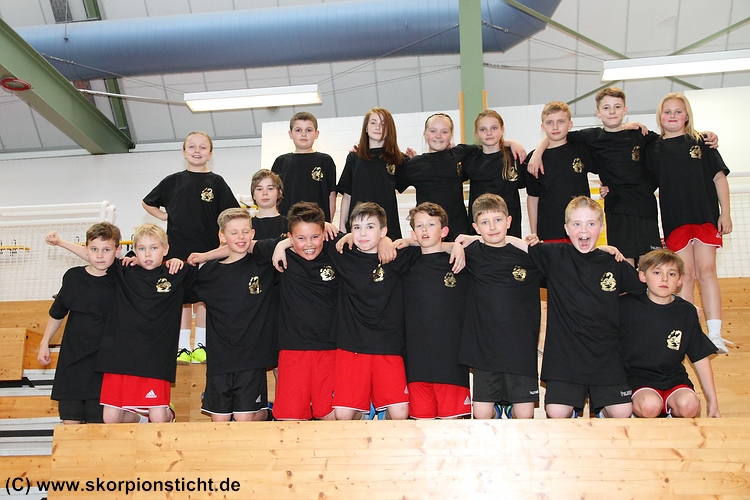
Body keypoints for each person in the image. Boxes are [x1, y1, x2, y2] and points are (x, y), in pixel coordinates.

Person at [48, 224, 196, 424]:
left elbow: (210, 273)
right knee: (110, 418)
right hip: (120, 358)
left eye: (153, 248)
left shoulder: (176, 273)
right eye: (142, 248)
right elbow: (98, 257)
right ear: (134, 250)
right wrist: (60, 242)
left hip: (156, 359)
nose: (147, 254)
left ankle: (169, 416)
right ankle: (140, 420)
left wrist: (182, 260)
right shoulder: (125, 270)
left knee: (159, 417)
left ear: (165, 249)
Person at [521, 196, 645, 418]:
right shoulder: (555, 255)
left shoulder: (614, 262)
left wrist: (681, 305)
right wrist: (469, 240)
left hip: (606, 357)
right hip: (565, 358)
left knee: (622, 411)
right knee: (556, 412)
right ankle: (575, 414)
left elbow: (645, 292)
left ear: (601, 227)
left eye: (591, 223)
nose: (584, 230)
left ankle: (602, 413)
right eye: (577, 224)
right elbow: (509, 244)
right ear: (566, 229)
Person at [142, 131, 240, 365]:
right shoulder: (172, 181)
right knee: (182, 300)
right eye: (192, 147)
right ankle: (183, 347)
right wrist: (164, 216)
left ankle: (202, 345)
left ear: (210, 154)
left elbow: (232, 213)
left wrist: (224, 237)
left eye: (203, 147)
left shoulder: (216, 182)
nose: (197, 151)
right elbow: (147, 202)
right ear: (184, 152)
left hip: (207, 253)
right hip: (178, 255)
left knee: (204, 299)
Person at [645, 93, 732, 353]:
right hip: (675, 221)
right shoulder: (654, 148)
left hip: (705, 216)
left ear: (687, 116)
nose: (672, 116)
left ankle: (715, 335)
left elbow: (719, 178)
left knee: (707, 271)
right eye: (667, 111)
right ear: (660, 117)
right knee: (685, 275)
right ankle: (692, 335)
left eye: (678, 111)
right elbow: (641, 183)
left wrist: (725, 213)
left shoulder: (702, 142)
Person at [185, 208, 278, 422]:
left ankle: (266, 414)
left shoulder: (264, 264)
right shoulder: (207, 273)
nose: (240, 237)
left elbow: (286, 243)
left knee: (244, 420)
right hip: (220, 361)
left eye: (245, 231)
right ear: (222, 236)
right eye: (233, 233)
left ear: (253, 233)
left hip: (251, 359)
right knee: (220, 422)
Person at [456, 194, 543, 419]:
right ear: (476, 227)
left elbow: (568, 258)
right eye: (485, 222)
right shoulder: (472, 254)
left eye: (498, 220)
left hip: (520, 351)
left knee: (524, 415)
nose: (492, 227)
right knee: (481, 414)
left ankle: (511, 411)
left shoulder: (528, 255)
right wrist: (455, 245)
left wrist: (605, 249)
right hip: (485, 351)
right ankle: (496, 411)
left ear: (509, 221)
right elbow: (432, 245)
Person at [620, 249, 720, 418]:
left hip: (674, 378)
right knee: (649, 405)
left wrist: (713, 401)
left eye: (672, 274)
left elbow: (700, 357)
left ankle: (670, 415)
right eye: (657, 272)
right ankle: (638, 414)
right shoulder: (626, 305)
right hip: (637, 378)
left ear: (680, 280)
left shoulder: (686, 311)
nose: (664, 279)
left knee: (689, 405)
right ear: (642, 276)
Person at [38, 223, 121, 424]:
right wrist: (44, 342)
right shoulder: (73, 277)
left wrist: (60, 242)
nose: (100, 255)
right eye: (94, 249)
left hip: (103, 365)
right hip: (72, 363)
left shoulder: (121, 277)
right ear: (86, 250)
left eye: (106, 250)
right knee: (70, 424)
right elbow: (58, 313)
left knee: (96, 426)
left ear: (117, 251)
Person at [401, 202, 471, 419]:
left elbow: (493, 242)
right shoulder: (405, 262)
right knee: (421, 430)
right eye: (419, 225)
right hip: (416, 365)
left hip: (451, 364)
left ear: (444, 231)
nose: (424, 229)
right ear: (413, 234)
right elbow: (377, 244)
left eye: (431, 224)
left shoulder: (459, 262)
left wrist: (456, 245)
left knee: (454, 430)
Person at [272, 202, 339, 420]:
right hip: (293, 350)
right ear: (290, 237)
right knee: (289, 418)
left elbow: (365, 238)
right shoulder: (281, 252)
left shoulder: (334, 249)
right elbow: (244, 245)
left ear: (323, 233)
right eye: (301, 238)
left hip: (330, 348)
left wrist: (385, 240)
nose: (309, 244)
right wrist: (281, 245)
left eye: (315, 237)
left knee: (332, 415)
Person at [524, 102, 595, 242]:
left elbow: (605, 166)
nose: (555, 127)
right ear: (542, 127)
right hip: (549, 231)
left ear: (570, 124)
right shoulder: (534, 160)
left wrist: (605, 185)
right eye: (549, 122)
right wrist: (534, 233)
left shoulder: (582, 150)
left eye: (560, 122)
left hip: (581, 229)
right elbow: (532, 197)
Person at [337, 108, 406, 240]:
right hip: (358, 224)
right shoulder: (354, 158)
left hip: (387, 227)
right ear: (366, 128)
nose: (378, 127)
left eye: (383, 124)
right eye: (373, 122)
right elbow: (347, 195)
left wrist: (414, 160)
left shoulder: (398, 159)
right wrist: (342, 225)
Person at [463, 110, 526, 238]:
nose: (489, 133)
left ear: (502, 130)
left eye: (494, 128)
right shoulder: (470, 160)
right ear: (476, 134)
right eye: (483, 129)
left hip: (510, 229)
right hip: (481, 229)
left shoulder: (514, 156)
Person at [272, 111, 337, 223]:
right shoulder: (281, 162)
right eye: (298, 130)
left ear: (316, 134)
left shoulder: (325, 161)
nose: (303, 134)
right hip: (288, 224)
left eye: (308, 130)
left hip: (317, 223)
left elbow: (331, 196)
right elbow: (275, 197)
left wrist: (327, 223)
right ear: (290, 134)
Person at [249, 169, 288, 240]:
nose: (265, 193)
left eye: (270, 188)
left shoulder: (289, 225)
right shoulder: (246, 226)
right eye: (259, 189)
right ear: (253, 195)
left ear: (279, 193)